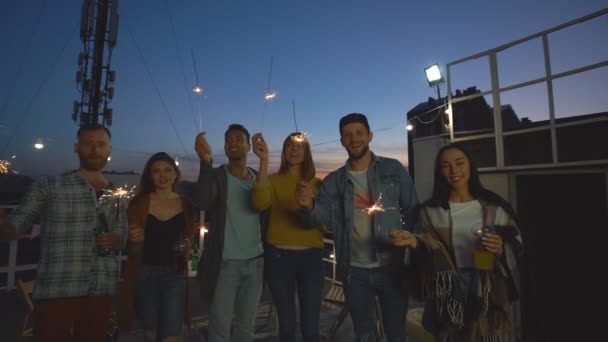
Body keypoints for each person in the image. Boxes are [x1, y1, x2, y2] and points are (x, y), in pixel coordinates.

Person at [295, 113, 419, 342]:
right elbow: (320, 218)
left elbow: (413, 209)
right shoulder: (334, 181)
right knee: (364, 334)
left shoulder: (393, 169)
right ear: (341, 141)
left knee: (397, 334)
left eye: (359, 133)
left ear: (370, 136)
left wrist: (409, 248)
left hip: (391, 266)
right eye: (347, 135)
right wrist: (309, 205)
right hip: (354, 271)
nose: (354, 139)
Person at [0, 124, 126, 342]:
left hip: (101, 293)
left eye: (101, 144)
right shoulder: (50, 185)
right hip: (56, 293)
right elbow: (14, 228)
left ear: (109, 150)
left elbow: (121, 236)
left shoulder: (117, 193)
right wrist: (4, 225)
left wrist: (116, 239)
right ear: (76, 148)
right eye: (88, 143)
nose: (95, 149)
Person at [390, 143, 523, 341]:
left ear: (470, 165)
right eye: (446, 165)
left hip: (488, 289)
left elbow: (517, 241)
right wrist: (415, 242)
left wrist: (502, 247)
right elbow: (424, 248)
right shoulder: (430, 212)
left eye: (459, 163)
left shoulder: (494, 206)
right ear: (439, 171)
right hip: (448, 291)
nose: (454, 170)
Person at [194, 124, 267, 342]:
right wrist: (205, 162)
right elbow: (203, 201)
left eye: (238, 139)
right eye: (228, 140)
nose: (232, 142)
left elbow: (265, 209)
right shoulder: (217, 175)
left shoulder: (258, 178)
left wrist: (264, 161)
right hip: (225, 264)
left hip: (255, 264)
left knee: (246, 328)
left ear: (248, 146)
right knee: (219, 329)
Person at [251, 132, 325, 342]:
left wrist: (310, 206)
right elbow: (259, 202)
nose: (293, 150)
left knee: (311, 327)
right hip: (278, 258)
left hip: (311, 258)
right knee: (286, 326)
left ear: (306, 153)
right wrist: (263, 162)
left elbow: (326, 224)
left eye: (298, 146)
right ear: (283, 151)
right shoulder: (272, 180)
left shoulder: (318, 185)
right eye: (289, 146)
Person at [119, 152, 195, 342]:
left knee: (171, 333)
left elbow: (189, 237)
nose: (163, 175)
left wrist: (188, 248)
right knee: (150, 331)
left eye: (168, 170)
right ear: (150, 176)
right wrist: (134, 239)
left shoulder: (186, 204)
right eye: (156, 171)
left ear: (176, 174)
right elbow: (130, 249)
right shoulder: (139, 204)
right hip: (145, 273)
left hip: (175, 274)